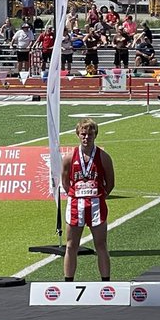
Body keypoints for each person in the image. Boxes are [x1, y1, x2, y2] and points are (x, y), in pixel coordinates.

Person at [61, 117, 115, 282]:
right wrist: (76, 194)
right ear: (78, 134)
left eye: (90, 134)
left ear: (95, 135)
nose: (86, 138)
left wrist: (98, 195)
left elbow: (110, 183)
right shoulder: (70, 157)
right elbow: (65, 182)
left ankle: (105, 282)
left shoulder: (103, 157)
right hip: (76, 205)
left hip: (96, 205)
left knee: (101, 245)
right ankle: (68, 282)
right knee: (71, 246)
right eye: (83, 134)